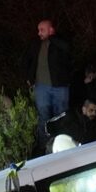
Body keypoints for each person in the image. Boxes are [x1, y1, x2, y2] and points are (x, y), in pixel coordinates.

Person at [21, 19, 72, 147]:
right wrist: (28, 77)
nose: (39, 33)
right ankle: (45, 145)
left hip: (59, 86)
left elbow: (68, 49)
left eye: (42, 30)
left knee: (61, 115)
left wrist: (52, 38)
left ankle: (63, 143)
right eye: (38, 30)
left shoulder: (60, 41)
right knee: (43, 116)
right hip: (41, 87)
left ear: (51, 30)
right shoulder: (36, 44)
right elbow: (26, 60)